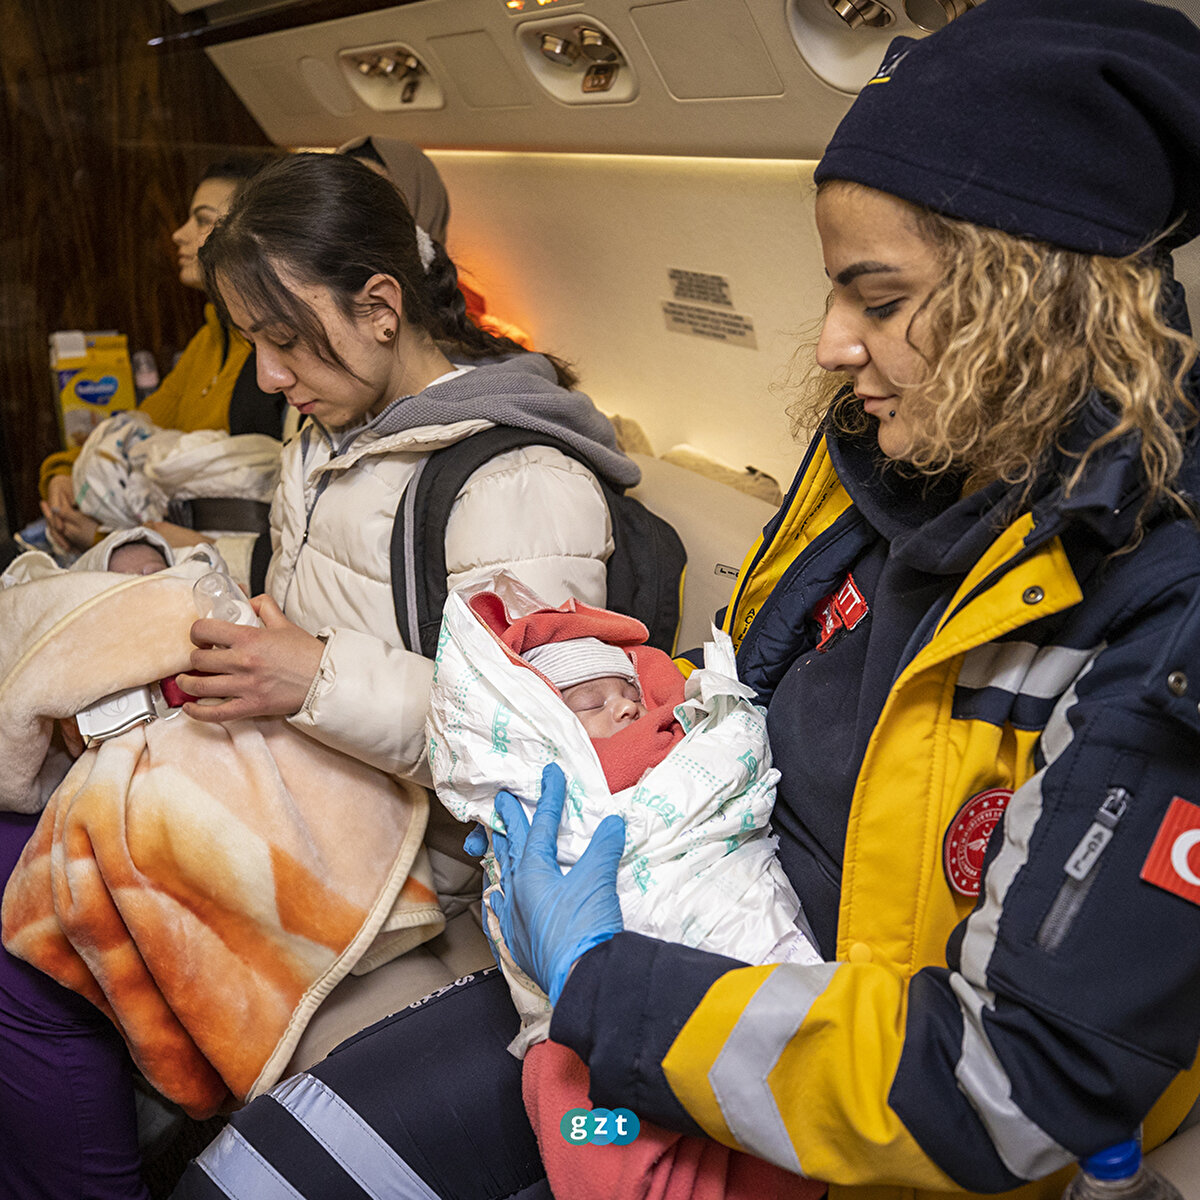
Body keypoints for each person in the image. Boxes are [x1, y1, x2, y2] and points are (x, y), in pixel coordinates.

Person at [172, 3, 1200, 1200]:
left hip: (817, 1086)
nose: (831, 344)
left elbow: (1015, 1087)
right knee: (247, 1176)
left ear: (1037, 303)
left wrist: (599, 974)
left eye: (878, 300)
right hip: (673, 940)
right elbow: (733, 699)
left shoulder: (1158, 617)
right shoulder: (876, 473)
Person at [430, 579, 820, 1053]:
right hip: (599, 944)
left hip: (718, 890)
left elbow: (721, 748)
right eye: (591, 703)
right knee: (557, 1065)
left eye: (629, 693)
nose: (626, 708)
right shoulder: (554, 771)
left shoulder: (674, 733)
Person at [38, 155, 280, 560]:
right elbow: (139, 425)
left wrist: (103, 539)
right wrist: (62, 472)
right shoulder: (210, 337)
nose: (179, 235)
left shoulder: (269, 355)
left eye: (202, 220)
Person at [339, 135, 533, 350]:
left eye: (374, 201)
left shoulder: (490, 346)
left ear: (422, 208)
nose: (354, 217)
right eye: (342, 200)